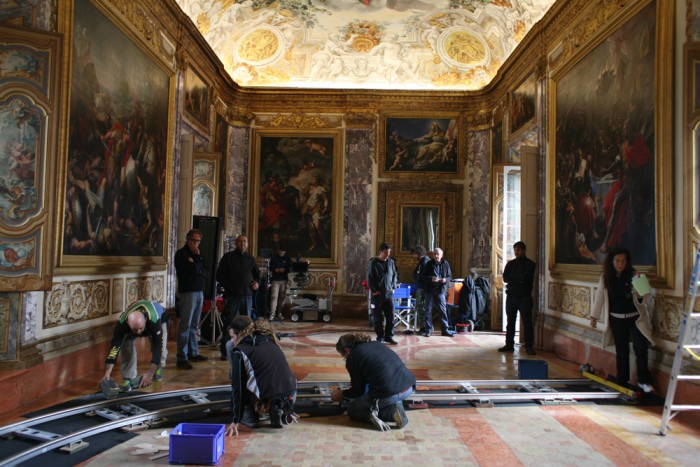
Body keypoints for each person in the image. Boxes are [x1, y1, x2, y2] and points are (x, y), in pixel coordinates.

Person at [589, 247, 654, 393]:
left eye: (623, 261)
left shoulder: (634, 275)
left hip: (636, 318)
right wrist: (594, 317)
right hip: (617, 319)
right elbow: (599, 298)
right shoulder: (606, 278)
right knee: (622, 351)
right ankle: (622, 381)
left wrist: (639, 291)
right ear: (612, 261)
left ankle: (644, 380)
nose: (620, 264)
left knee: (641, 348)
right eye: (617, 261)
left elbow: (645, 297)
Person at [225, 316, 298, 436]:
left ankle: (251, 418)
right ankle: (278, 411)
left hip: (266, 398)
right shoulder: (270, 340)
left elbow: (239, 389)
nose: (232, 341)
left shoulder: (240, 351)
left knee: (240, 379)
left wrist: (235, 419)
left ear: (241, 334)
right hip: (291, 393)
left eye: (233, 337)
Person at [330, 333, 415, 431]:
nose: (345, 357)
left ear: (346, 350)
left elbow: (358, 391)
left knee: (353, 411)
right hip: (409, 386)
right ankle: (394, 404)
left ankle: (391, 413)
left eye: (343, 355)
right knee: (374, 398)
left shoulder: (353, 357)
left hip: (390, 392)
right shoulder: (376, 344)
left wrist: (342, 394)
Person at [101, 300, 166, 390]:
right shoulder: (122, 324)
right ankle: (128, 377)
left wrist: (149, 374)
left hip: (160, 320)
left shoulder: (154, 321)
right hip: (135, 326)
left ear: (145, 320)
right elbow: (114, 348)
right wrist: (107, 373)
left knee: (161, 350)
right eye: (135, 329)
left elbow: (158, 347)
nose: (138, 332)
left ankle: (157, 368)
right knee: (125, 345)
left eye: (140, 328)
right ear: (128, 323)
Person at [216, 235, 261, 360]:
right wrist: (230, 287)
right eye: (240, 241)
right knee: (229, 323)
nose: (242, 243)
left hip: (247, 296)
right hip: (232, 296)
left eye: (245, 241)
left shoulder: (250, 259)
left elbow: (257, 274)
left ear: (247, 244)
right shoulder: (228, 257)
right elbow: (219, 275)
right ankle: (225, 351)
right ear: (236, 243)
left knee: (247, 325)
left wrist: (256, 282)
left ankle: (245, 350)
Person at [174, 229, 209, 370]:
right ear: (187, 239)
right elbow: (191, 271)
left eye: (198, 241)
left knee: (194, 325)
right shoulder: (181, 254)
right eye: (193, 240)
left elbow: (206, 272)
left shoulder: (199, 255)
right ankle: (181, 357)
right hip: (188, 292)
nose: (195, 243)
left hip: (199, 291)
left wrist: (196, 261)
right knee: (186, 325)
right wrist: (196, 266)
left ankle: (193, 352)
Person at [500, 241, 537, 355]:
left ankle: (529, 346)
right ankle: (509, 344)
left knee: (527, 322)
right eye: (515, 250)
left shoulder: (530, 264)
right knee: (510, 321)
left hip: (525, 298)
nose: (516, 252)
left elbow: (526, 278)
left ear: (523, 250)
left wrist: (514, 277)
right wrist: (518, 278)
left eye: (518, 250)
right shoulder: (510, 264)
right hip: (511, 297)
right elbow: (505, 278)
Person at [367, 242, 399, 345]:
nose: (388, 254)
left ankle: (389, 336)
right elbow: (369, 278)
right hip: (377, 295)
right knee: (377, 317)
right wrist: (374, 290)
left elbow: (394, 275)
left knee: (391, 316)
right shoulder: (373, 262)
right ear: (380, 252)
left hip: (389, 294)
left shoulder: (391, 262)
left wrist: (393, 287)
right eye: (385, 252)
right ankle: (380, 336)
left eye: (389, 252)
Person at [422, 247, 453, 337]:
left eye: (438, 254)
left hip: (440, 290)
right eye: (434, 254)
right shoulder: (428, 264)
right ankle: (428, 330)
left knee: (443, 310)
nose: (436, 256)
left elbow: (449, 276)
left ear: (441, 255)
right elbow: (423, 277)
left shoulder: (445, 264)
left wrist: (445, 280)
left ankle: (445, 330)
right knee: (428, 310)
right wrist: (431, 279)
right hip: (430, 290)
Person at [269, 245, 292, 321]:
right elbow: (270, 267)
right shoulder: (274, 258)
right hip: (275, 280)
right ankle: (272, 314)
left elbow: (290, 268)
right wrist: (275, 270)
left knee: (282, 297)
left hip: (284, 280)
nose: (281, 254)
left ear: (285, 252)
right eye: (280, 252)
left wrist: (284, 269)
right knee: (274, 297)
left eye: (283, 252)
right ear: (278, 251)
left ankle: (279, 313)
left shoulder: (287, 258)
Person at [411, 245, 430, 333]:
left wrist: (417, 277)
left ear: (418, 253)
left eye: (414, 254)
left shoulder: (425, 262)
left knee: (421, 308)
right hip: (421, 287)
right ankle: (424, 327)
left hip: (423, 288)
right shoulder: (422, 262)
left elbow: (422, 276)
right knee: (420, 308)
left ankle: (425, 327)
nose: (413, 256)